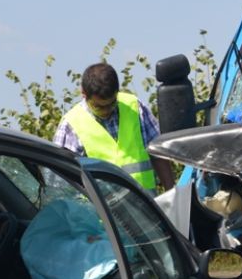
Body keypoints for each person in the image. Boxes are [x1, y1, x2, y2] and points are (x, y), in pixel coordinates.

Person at [53, 63, 175, 192]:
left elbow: (159, 153)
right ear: (83, 93)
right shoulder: (71, 124)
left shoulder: (134, 107)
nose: (106, 111)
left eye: (111, 104)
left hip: (145, 202)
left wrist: (172, 192)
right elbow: (61, 180)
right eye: (99, 107)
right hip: (101, 205)